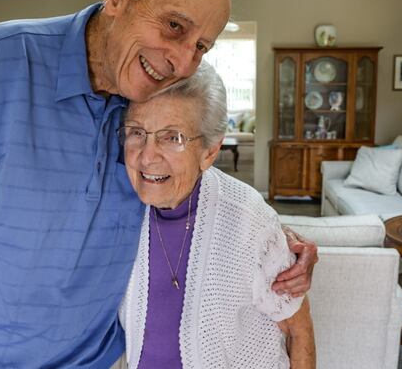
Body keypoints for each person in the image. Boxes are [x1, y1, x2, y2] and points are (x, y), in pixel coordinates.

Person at [0, 0, 318, 368]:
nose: (182, 63)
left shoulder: (149, 106)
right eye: (174, 26)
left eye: (201, 47)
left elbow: (191, 191)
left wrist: (277, 243)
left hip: (100, 358)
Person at [118, 62, 315, 368]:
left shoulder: (249, 219)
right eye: (136, 132)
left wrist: (275, 237)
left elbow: (298, 330)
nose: (146, 156)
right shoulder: (114, 206)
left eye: (173, 137)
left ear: (210, 151)